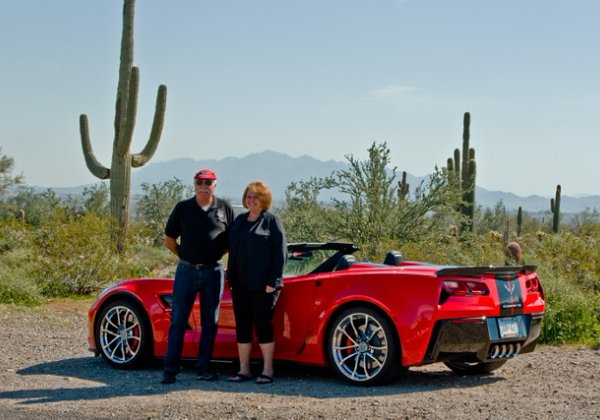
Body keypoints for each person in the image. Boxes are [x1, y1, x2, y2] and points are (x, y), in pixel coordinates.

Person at [160, 169, 235, 385]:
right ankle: (170, 370)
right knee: (178, 321)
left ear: (215, 185)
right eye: (199, 182)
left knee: (210, 322)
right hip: (187, 271)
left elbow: (231, 240)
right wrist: (184, 256)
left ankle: (204, 368)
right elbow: (169, 239)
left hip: (213, 272)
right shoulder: (183, 208)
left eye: (208, 182)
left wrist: (214, 255)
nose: (203, 185)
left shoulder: (224, 208)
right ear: (194, 184)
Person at [226, 181, 287, 384]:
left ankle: (267, 370)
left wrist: (273, 282)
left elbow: (280, 255)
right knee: (242, 326)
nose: (251, 200)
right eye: (249, 196)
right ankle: (244, 370)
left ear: (264, 199)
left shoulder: (272, 221)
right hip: (240, 284)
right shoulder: (240, 221)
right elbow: (232, 252)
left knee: (263, 326)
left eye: (256, 197)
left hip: (264, 286)